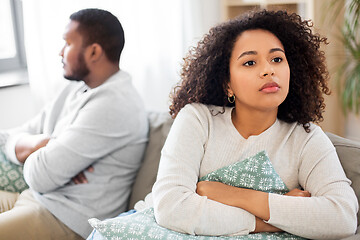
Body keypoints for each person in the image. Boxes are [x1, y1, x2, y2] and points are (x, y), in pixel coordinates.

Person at [140, 10, 358, 239]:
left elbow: (342, 216)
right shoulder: (197, 119)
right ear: (228, 84)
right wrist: (269, 222)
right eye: (250, 62)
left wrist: (231, 194)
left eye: (277, 59)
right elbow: (171, 207)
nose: (268, 70)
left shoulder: (306, 137)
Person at [0, 8, 148, 240]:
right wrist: (46, 143)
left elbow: (39, 175)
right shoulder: (76, 88)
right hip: (35, 198)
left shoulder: (113, 105)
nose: (60, 52)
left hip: (65, 220)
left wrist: (40, 151)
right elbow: (8, 138)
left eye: (68, 43)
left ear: (94, 52)